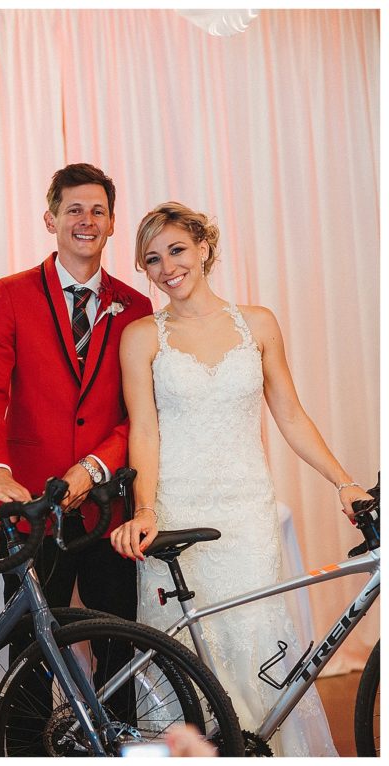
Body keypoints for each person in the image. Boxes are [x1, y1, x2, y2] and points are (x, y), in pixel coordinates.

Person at [110, 201, 370, 756]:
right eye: (152, 260)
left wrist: (342, 481)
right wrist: (146, 509)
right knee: (180, 650)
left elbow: (291, 414)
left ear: (204, 247)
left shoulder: (258, 323)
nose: (166, 268)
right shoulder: (140, 336)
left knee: (254, 639)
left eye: (176, 250)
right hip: (176, 505)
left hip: (246, 511)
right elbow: (145, 434)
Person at [0, 163, 152, 654]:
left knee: (116, 647)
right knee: (28, 651)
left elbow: (142, 409)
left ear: (112, 223)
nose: (86, 220)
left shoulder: (136, 307)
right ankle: (25, 737)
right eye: (74, 209)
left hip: (108, 508)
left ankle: (115, 734)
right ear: (51, 220)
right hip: (29, 505)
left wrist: (94, 466)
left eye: (98, 211)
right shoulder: (9, 294)